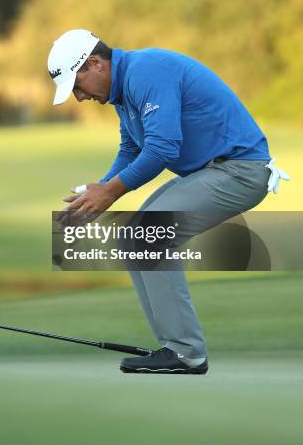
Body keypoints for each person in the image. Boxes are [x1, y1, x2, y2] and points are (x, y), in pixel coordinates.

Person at [47, 28, 290, 374]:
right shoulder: (124, 90)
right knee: (133, 239)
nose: (79, 98)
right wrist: (99, 190)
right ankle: (173, 348)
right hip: (215, 170)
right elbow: (132, 148)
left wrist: (111, 192)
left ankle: (186, 352)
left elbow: (163, 148)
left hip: (241, 170)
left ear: (95, 64)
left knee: (151, 232)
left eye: (76, 86)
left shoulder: (145, 72)